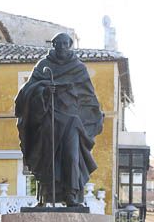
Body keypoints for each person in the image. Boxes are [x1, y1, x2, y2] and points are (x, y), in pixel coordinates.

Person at [15, 32, 103, 207]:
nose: (62, 47)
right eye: (58, 44)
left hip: (71, 119)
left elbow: (88, 97)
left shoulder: (78, 68)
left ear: (69, 45)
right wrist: (45, 89)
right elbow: (27, 91)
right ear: (53, 45)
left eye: (65, 44)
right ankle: (44, 196)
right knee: (46, 157)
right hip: (49, 117)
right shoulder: (44, 65)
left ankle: (72, 193)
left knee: (71, 156)